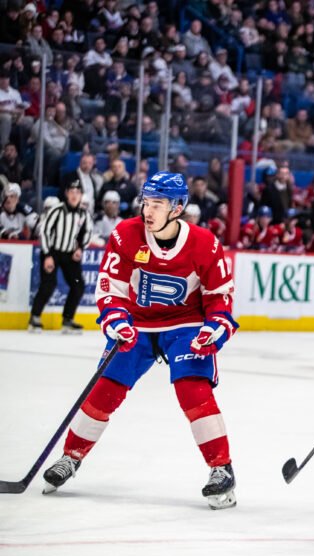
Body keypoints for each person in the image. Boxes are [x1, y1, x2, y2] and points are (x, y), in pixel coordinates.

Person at [41, 172, 240, 510]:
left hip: (186, 325)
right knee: (105, 389)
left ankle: (221, 469)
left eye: (157, 204)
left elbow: (219, 296)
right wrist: (116, 318)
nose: (148, 211)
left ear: (176, 208)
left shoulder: (205, 243)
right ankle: (71, 456)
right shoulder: (126, 234)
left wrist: (216, 326)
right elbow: (111, 287)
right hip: (138, 324)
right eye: (146, 202)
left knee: (192, 388)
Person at [29, 177, 94, 333]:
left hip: (70, 254)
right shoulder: (57, 210)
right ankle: (35, 317)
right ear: (66, 193)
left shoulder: (84, 214)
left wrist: (81, 249)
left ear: (81, 195)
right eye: (71, 191)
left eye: (77, 192)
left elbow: (87, 232)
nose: (74, 195)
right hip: (52, 251)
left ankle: (67, 319)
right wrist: (48, 255)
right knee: (48, 285)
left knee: (78, 285)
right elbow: (44, 231)